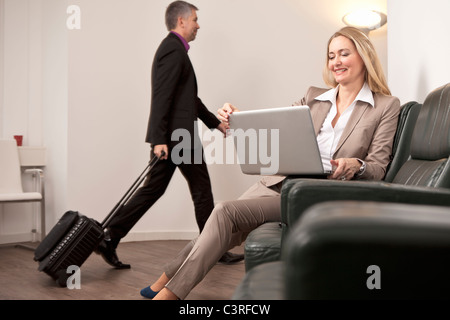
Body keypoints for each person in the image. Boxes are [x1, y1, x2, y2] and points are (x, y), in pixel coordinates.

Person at [140, 26, 401, 300]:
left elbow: (378, 169)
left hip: (317, 192)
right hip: (280, 180)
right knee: (221, 228)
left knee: (224, 213)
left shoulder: (385, 105)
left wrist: (355, 165)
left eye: (343, 54)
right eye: (331, 55)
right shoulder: (314, 97)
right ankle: (164, 280)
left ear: (364, 55)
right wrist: (239, 118)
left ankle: (168, 295)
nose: (335, 62)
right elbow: (276, 130)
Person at [96, 1, 243, 269]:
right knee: (199, 191)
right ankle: (215, 248)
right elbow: (161, 96)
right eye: (195, 19)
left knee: (162, 190)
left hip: (176, 137)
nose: (198, 25)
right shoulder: (172, 51)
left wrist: (215, 124)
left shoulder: (176, 51)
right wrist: (158, 139)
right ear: (182, 21)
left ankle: (110, 237)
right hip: (177, 139)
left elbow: (189, 99)